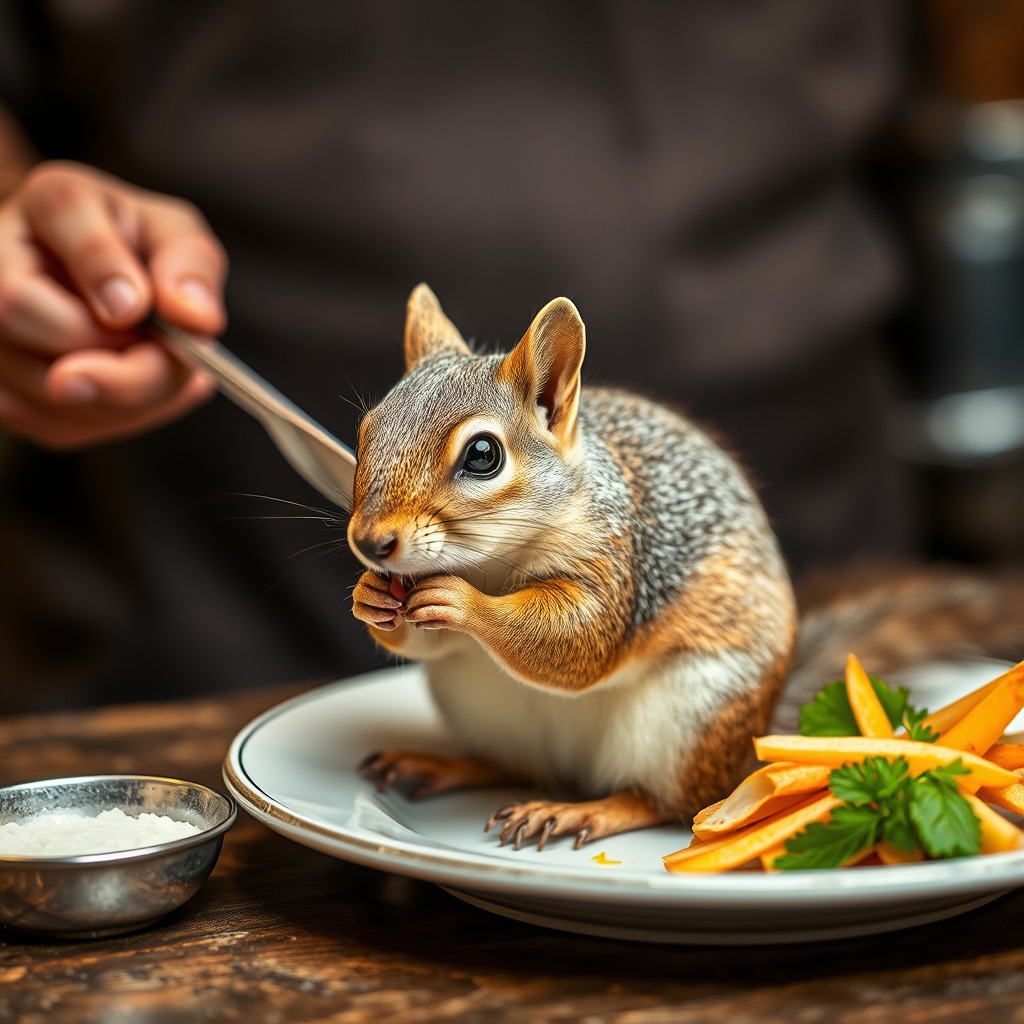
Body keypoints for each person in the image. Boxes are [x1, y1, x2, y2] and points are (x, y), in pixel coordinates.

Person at [0, 3, 915, 713]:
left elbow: (584, 642)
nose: (376, 527)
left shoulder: (580, 526)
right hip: (203, 530)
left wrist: (476, 610)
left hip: (790, 381)